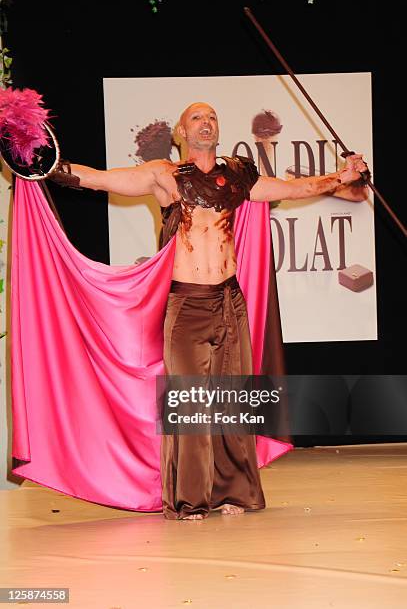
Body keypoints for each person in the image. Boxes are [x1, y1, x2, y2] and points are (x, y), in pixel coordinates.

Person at [48, 102, 369, 520]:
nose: (206, 123)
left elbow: (292, 190)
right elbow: (98, 180)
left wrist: (339, 178)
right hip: (187, 302)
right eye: (197, 118)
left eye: (213, 117)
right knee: (192, 401)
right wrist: (45, 165)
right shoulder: (165, 175)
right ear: (181, 132)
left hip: (229, 299)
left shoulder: (237, 176)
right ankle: (189, 498)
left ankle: (234, 490)